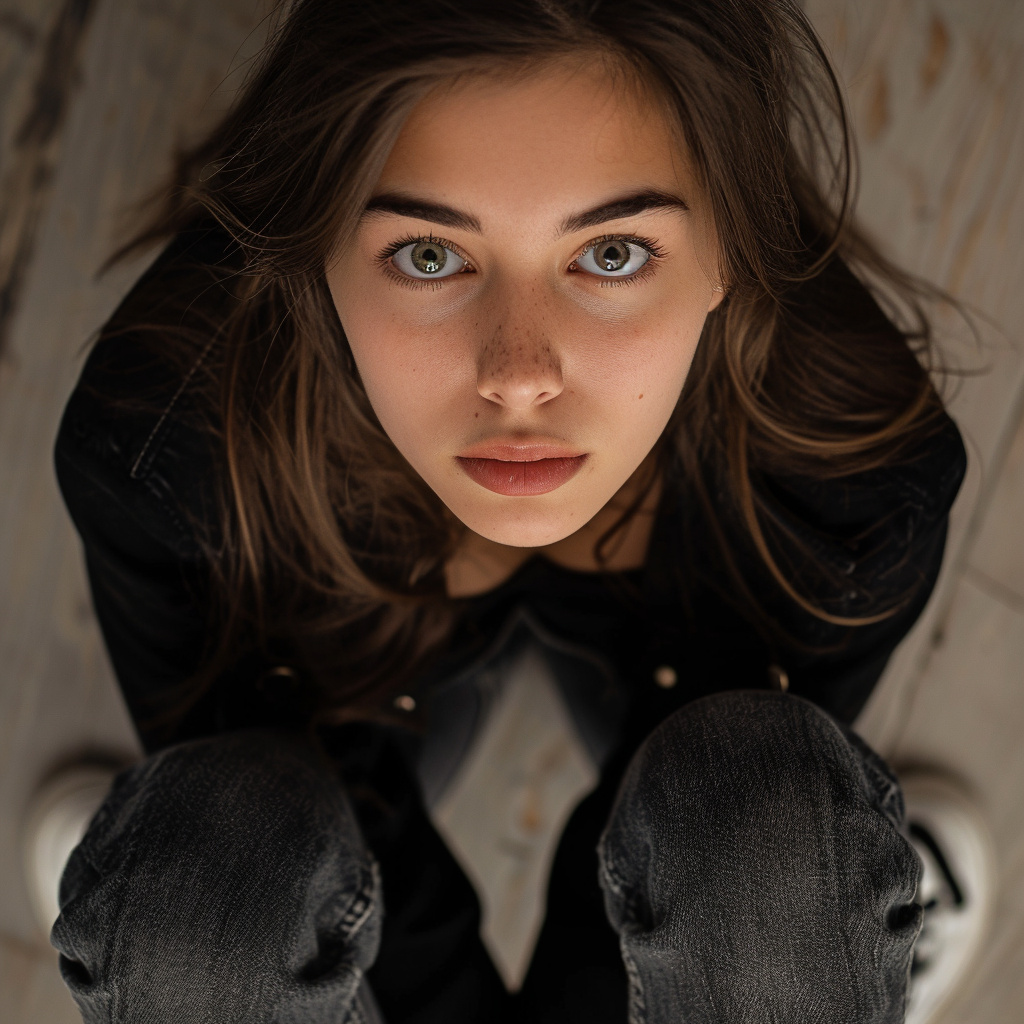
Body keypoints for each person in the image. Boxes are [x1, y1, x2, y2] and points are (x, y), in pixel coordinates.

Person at [40, 0, 991, 1021]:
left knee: (765, 842)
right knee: (215, 871)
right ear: (317, 247)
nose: (520, 377)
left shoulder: (856, 478)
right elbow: (231, 718)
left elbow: (771, 737)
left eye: (613, 254)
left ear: (730, 252)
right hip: (333, 721)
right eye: (429, 255)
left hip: (683, 714)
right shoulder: (163, 453)